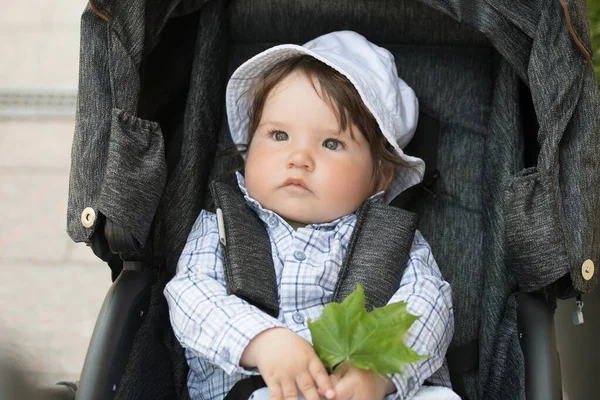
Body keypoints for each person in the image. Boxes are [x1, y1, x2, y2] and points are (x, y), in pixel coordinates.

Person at [165, 30, 456, 400]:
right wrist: (262, 341)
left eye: (331, 143)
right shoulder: (221, 226)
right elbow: (191, 294)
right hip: (257, 388)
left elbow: (428, 303)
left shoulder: (390, 241)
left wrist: (379, 373)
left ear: (380, 177)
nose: (299, 157)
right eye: (279, 135)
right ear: (248, 147)